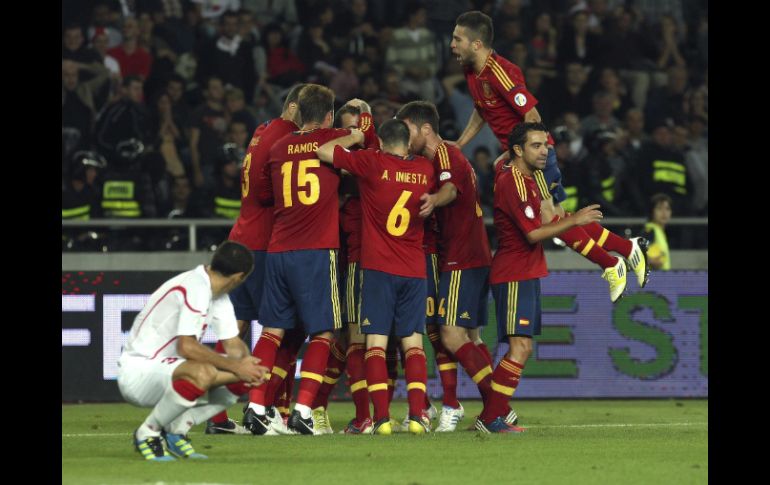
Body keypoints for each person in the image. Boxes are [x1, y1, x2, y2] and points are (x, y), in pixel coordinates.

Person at [450, 10, 648, 302]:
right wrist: (461, 143)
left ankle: (611, 263)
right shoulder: (472, 71)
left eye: (458, 39)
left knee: (549, 220)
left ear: (477, 44)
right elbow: (483, 109)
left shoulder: (498, 72)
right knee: (558, 216)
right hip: (521, 153)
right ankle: (628, 250)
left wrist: (519, 152)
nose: (452, 44)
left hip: (535, 154)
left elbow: (532, 114)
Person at [477, 122, 604, 433]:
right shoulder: (515, 182)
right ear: (518, 150)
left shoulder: (526, 178)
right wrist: (574, 219)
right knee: (519, 347)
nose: (545, 150)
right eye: (536, 145)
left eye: (545, 144)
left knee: (523, 348)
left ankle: (494, 415)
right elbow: (533, 233)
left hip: (525, 271)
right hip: (514, 272)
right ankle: (491, 418)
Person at [316, 117, 435, 435]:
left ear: (381, 142)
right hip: (413, 269)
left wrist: (354, 136)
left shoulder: (371, 162)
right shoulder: (424, 169)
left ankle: (380, 418)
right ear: (408, 144)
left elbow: (324, 151)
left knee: (375, 345)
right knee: (413, 346)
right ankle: (417, 417)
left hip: (378, 269)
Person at [396, 101, 508, 433]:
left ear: (425, 129)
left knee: (449, 332)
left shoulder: (445, 155)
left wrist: (433, 200)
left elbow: (449, 189)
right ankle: (499, 408)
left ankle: (496, 407)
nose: (404, 136)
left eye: (408, 129)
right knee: (471, 337)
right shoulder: (444, 158)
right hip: (474, 254)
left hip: (460, 257)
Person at [244, 84, 348, 435]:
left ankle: (256, 405)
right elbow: (362, 140)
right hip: (317, 250)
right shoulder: (334, 140)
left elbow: (263, 192)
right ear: (329, 115)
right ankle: (303, 410)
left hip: (278, 251)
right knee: (323, 332)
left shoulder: (278, 147)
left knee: (272, 330)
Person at [204, 83, 305, 435]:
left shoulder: (262, 131)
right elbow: (267, 191)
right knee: (281, 326)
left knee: (236, 328)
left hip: (240, 237)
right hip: (264, 243)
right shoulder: (287, 136)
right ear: (293, 106)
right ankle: (267, 405)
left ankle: (216, 416)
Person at [117, 241, 269, 461]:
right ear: (239, 277)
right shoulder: (195, 286)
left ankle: (176, 432)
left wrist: (247, 365)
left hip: (166, 371)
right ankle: (147, 433)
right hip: (138, 371)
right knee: (203, 372)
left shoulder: (218, 295)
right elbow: (186, 346)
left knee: (244, 377)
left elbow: (232, 344)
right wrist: (237, 366)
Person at [643, 193, 673, 271]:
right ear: (652, 212)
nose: (664, 213)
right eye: (659, 208)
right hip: (655, 280)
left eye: (667, 209)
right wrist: (652, 261)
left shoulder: (659, 231)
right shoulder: (650, 230)